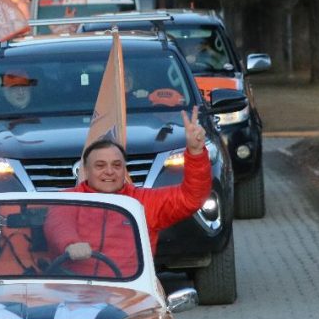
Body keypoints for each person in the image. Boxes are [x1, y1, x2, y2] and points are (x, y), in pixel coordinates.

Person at [43, 106, 210, 276]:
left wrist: (196, 152)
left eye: (116, 165)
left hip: (129, 292)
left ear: (124, 170)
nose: (109, 171)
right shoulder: (69, 199)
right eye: (100, 165)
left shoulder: (142, 201)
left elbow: (192, 197)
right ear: (86, 170)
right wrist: (71, 244)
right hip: (76, 291)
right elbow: (58, 225)